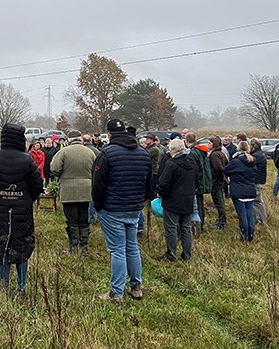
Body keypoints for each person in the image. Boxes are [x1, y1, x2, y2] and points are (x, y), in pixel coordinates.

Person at [0, 124, 43, 296]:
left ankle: (4, 285)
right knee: (22, 244)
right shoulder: (27, 159)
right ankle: (21, 286)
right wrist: (26, 199)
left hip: (0, 207)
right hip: (22, 209)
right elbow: (37, 185)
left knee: (2, 243)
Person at [93, 119, 151, 302]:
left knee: (118, 250)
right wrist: (139, 201)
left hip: (112, 209)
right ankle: (136, 287)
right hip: (134, 209)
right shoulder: (143, 154)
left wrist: (98, 206)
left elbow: (98, 184)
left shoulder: (107, 153)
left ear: (109, 134)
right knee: (132, 247)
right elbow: (149, 183)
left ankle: (116, 292)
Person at [51, 130, 96, 254]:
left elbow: (54, 169)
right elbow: (96, 169)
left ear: (68, 139)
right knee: (83, 218)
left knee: (71, 219)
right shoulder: (90, 152)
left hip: (68, 191)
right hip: (86, 190)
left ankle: (73, 247)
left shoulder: (64, 152)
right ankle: (84, 247)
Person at [156, 139, 199, 262]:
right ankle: (187, 255)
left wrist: (160, 193)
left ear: (173, 150)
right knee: (186, 227)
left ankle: (171, 254)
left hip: (172, 201)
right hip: (188, 199)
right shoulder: (192, 163)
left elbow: (163, 183)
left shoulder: (171, 164)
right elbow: (197, 180)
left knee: (171, 227)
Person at [223, 141, 257, 242]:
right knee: (249, 214)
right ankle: (251, 236)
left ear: (238, 149)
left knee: (242, 215)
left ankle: (244, 237)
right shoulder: (252, 160)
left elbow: (225, 170)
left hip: (238, 191)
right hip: (250, 190)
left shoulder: (235, 162)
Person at [185, 133, 211, 235]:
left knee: (197, 206)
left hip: (197, 183)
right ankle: (201, 225)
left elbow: (196, 170)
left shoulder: (193, 152)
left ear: (186, 141)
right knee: (200, 204)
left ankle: (198, 227)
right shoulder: (201, 150)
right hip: (202, 182)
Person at [208, 136, 228, 229]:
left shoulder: (214, 155)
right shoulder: (221, 153)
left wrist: (220, 177)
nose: (208, 144)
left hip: (216, 181)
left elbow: (218, 168)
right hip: (220, 181)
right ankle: (221, 220)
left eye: (210, 143)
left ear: (214, 144)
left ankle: (221, 223)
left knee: (219, 202)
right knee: (220, 202)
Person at [249, 138, 268, 224]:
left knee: (257, 202)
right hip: (260, 180)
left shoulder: (256, 156)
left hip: (256, 181)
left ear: (253, 146)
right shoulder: (261, 153)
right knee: (257, 201)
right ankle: (258, 218)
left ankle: (261, 219)